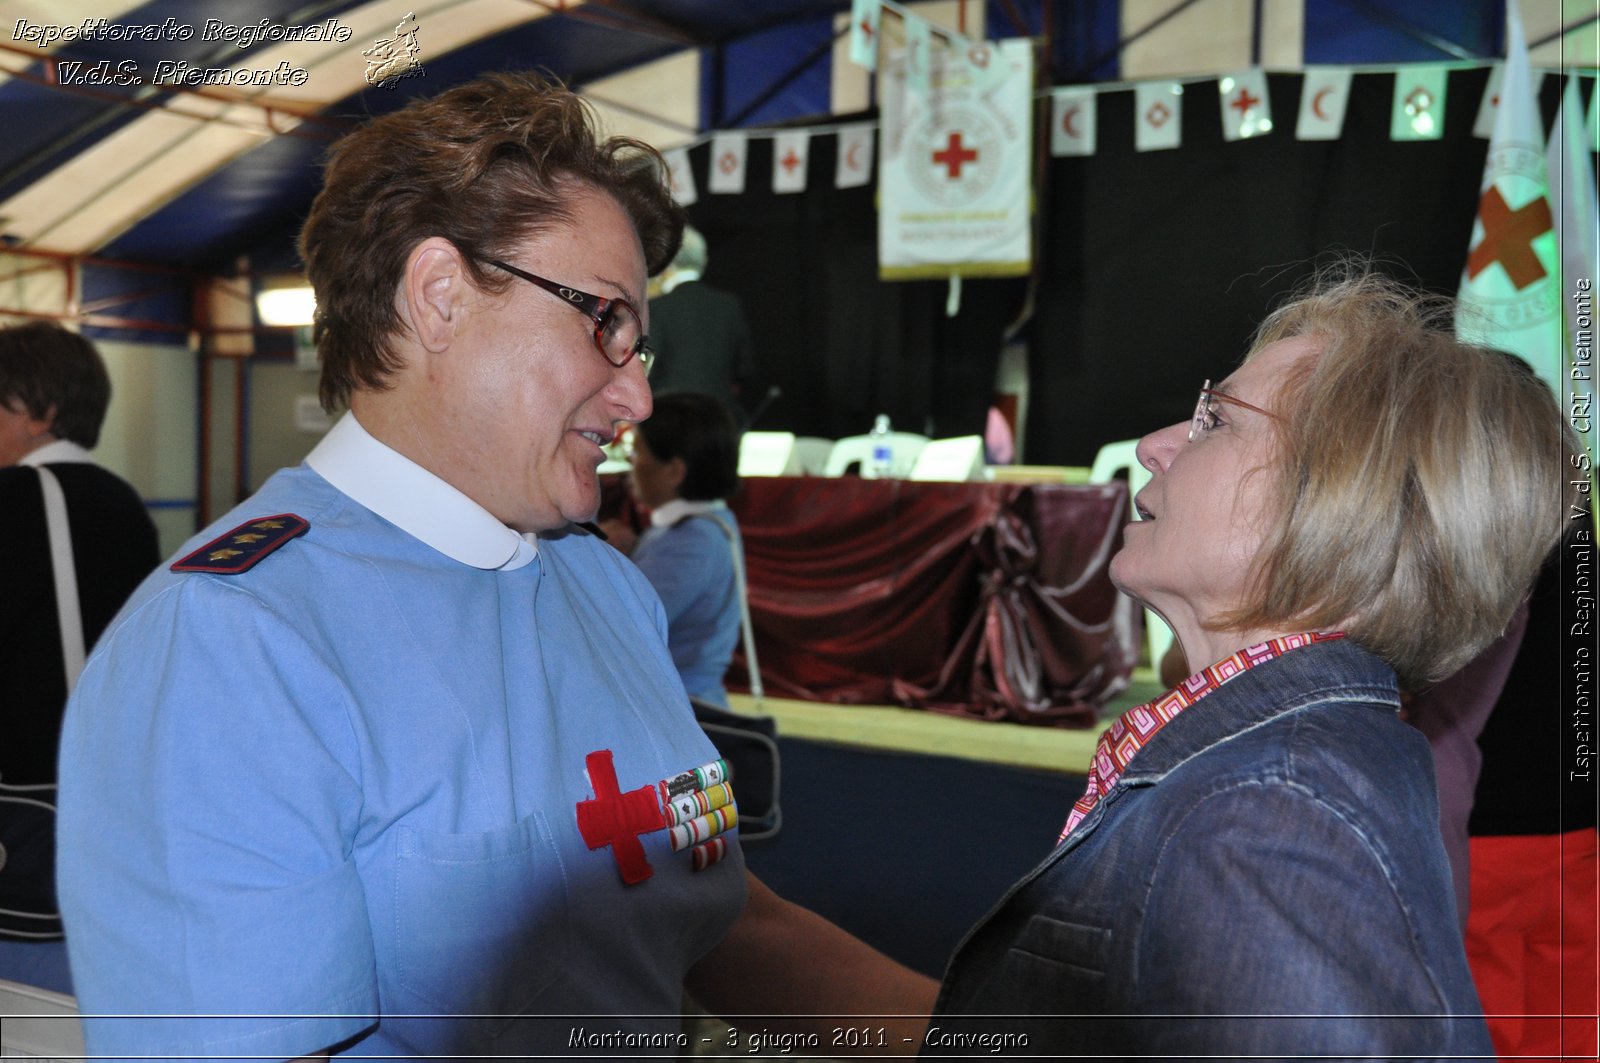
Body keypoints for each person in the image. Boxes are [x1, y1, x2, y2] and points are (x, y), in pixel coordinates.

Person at [56, 72, 934, 1060]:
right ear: (440, 296)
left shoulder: (605, 588)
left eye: (640, 345)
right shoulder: (232, 641)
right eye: (604, 323)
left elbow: (724, 922)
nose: (638, 398)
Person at [925, 269, 1566, 1057]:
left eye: (1215, 420)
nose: (1153, 447)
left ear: (1338, 500)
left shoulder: (1266, 817)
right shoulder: (1297, 770)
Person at [0, 322, 159, 992]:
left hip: (25, 825)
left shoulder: (15, 500)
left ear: (40, 412)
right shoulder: (123, 503)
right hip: (107, 810)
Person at [605, 392, 744, 708]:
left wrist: (599, 557)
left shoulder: (691, 542)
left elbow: (618, 629)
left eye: (638, 454)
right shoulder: (709, 522)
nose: (632, 468)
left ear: (674, 471)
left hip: (678, 709)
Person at [643, 225, 754, 413]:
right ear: (703, 260)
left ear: (667, 262)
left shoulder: (657, 308)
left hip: (669, 418)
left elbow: (648, 369)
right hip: (720, 418)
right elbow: (745, 368)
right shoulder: (728, 305)